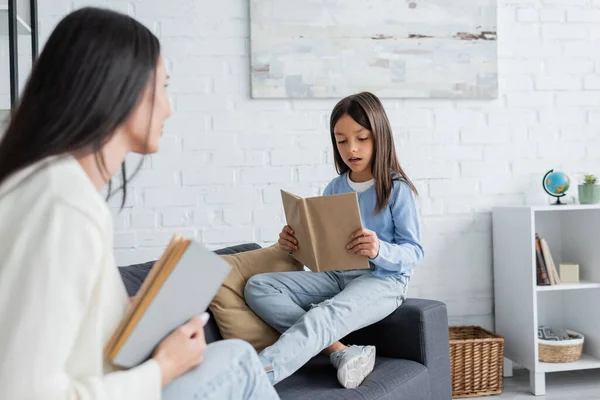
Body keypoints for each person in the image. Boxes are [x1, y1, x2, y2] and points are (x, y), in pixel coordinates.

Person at [0, 7, 278, 400]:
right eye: (163, 87)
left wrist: (128, 313)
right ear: (122, 89)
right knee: (235, 360)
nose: (168, 106)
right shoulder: (62, 203)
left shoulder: (40, 186)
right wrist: (162, 369)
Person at [244, 92, 424, 389]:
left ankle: (255, 379)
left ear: (380, 136)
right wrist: (294, 244)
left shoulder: (396, 189)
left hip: (383, 281)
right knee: (259, 286)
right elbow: (325, 249)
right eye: (341, 140)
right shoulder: (335, 187)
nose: (351, 148)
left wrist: (379, 249)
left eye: (361, 138)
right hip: (335, 274)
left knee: (323, 314)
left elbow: (414, 252)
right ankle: (339, 351)